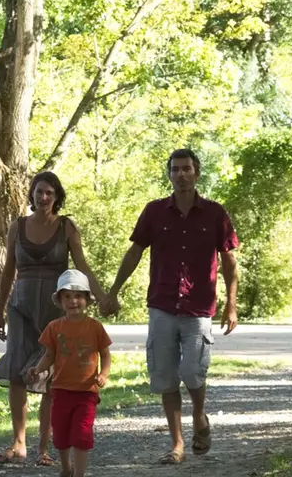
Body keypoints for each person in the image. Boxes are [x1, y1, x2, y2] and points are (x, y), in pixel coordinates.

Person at [103, 148, 239, 465]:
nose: (181, 174)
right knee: (165, 377)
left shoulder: (215, 213)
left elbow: (230, 263)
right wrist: (113, 291)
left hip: (199, 307)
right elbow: (134, 252)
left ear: (197, 172)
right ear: (169, 175)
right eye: (175, 169)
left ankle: (201, 417)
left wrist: (231, 304)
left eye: (186, 168)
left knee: (193, 371)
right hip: (162, 305)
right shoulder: (154, 212)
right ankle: (176, 443)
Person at [0, 170, 107, 466]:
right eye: (39, 192)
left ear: (57, 198)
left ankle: (44, 447)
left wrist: (102, 297)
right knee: (17, 367)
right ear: (31, 194)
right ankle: (19, 444)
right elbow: (8, 271)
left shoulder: (67, 226)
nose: (43, 198)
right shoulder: (17, 226)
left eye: (49, 193)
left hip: (54, 310)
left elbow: (81, 267)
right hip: (20, 305)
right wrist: (0, 310)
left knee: (51, 375)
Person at [28, 269, 112, 477]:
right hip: (61, 390)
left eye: (78, 296)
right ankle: (66, 468)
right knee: (61, 434)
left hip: (86, 392)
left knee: (82, 434)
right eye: (67, 296)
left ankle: (79, 474)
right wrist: (38, 370)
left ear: (86, 299)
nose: (73, 301)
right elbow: (49, 355)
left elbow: (105, 354)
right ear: (59, 300)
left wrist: (104, 374)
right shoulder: (54, 327)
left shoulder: (95, 327)